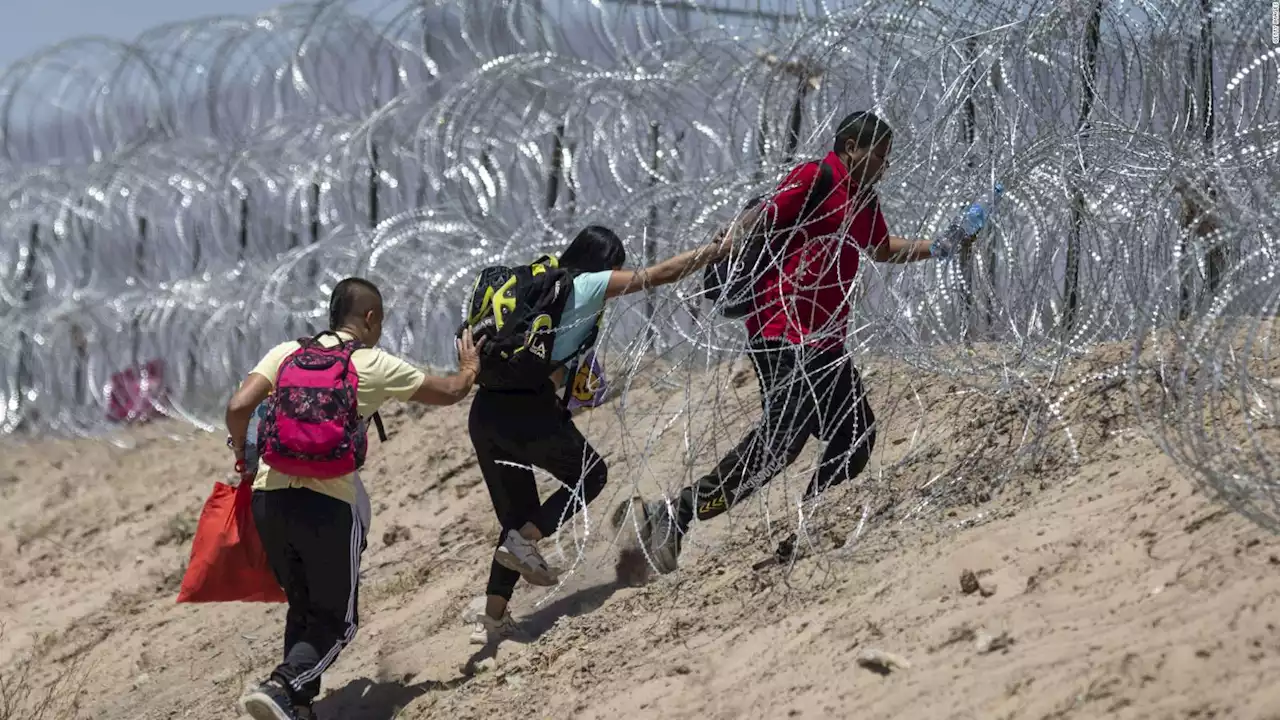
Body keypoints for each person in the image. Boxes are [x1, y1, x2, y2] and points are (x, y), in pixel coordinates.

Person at [624, 111, 966, 574]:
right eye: (878, 154)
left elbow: (883, 249)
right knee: (781, 443)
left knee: (855, 435)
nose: (885, 164)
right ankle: (676, 514)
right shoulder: (816, 176)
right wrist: (731, 238)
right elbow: (763, 215)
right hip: (782, 331)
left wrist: (942, 245)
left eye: (888, 157)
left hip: (825, 341)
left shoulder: (863, 198)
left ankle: (808, 526)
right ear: (850, 147)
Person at [225, 277, 482, 720]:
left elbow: (236, 407)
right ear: (369, 317)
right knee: (338, 622)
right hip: (328, 504)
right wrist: (471, 366)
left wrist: (243, 459)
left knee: (305, 606)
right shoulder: (372, 363)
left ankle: (297, 707)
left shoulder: (286, 353)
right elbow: (451, 391)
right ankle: (284, 687)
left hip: (270, 499)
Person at [467, 225, 728, 645]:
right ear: (607, 264)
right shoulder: (585, 284)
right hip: (524, 410)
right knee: (591, 475)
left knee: (518, 521)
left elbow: (550, 368)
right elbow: (658, 275)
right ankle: (526, 541)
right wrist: (717, 251)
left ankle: (495, 618)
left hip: (484, 414)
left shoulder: (540, 286)